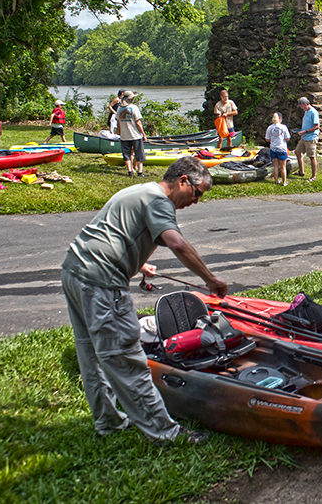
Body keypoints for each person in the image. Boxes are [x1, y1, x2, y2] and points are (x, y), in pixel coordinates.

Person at [61, 156, 227, 445]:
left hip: (75, 270)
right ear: (183, 180)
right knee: (125, 356)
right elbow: (176, 242)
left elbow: (117, 232)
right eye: (197, 193)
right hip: (101, 282)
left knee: (92, 354)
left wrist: (139, 265)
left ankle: (108, 422)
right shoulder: (159, 202)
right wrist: (211, 280)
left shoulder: (139, 191)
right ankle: (165, 432)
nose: (196, 201)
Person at [117, 91, 147, 177]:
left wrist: (119, 132)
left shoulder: (119, 108)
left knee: (126, 154)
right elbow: (138, 123)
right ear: (132, 99)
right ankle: (140, 172)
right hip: (135, 135)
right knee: (139, 153)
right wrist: (143, 134)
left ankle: (130, 171)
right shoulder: (134, 108)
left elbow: (118, 121)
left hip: (124, 135)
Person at [294, 97, 320, 182]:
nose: (301, 108)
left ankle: (313, 176)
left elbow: (317, 126)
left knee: (311, 157)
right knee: (297, 152)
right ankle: (301, 172)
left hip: (311, 137)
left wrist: (305, 131)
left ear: (305, 104)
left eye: (301, 106)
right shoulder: (306, 111)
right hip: (304, 136)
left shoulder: (313, 112)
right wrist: (301, 130)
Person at [265, 112, 291, 186]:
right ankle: (284, 182)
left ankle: (276, 180)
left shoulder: (270, 127)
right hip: (281, 148)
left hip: (273, 148)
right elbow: (287, 138)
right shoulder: (283, 127)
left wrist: (274, 139)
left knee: (275, 165)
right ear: (280, 118)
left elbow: (267, 139)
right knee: (283, 166)